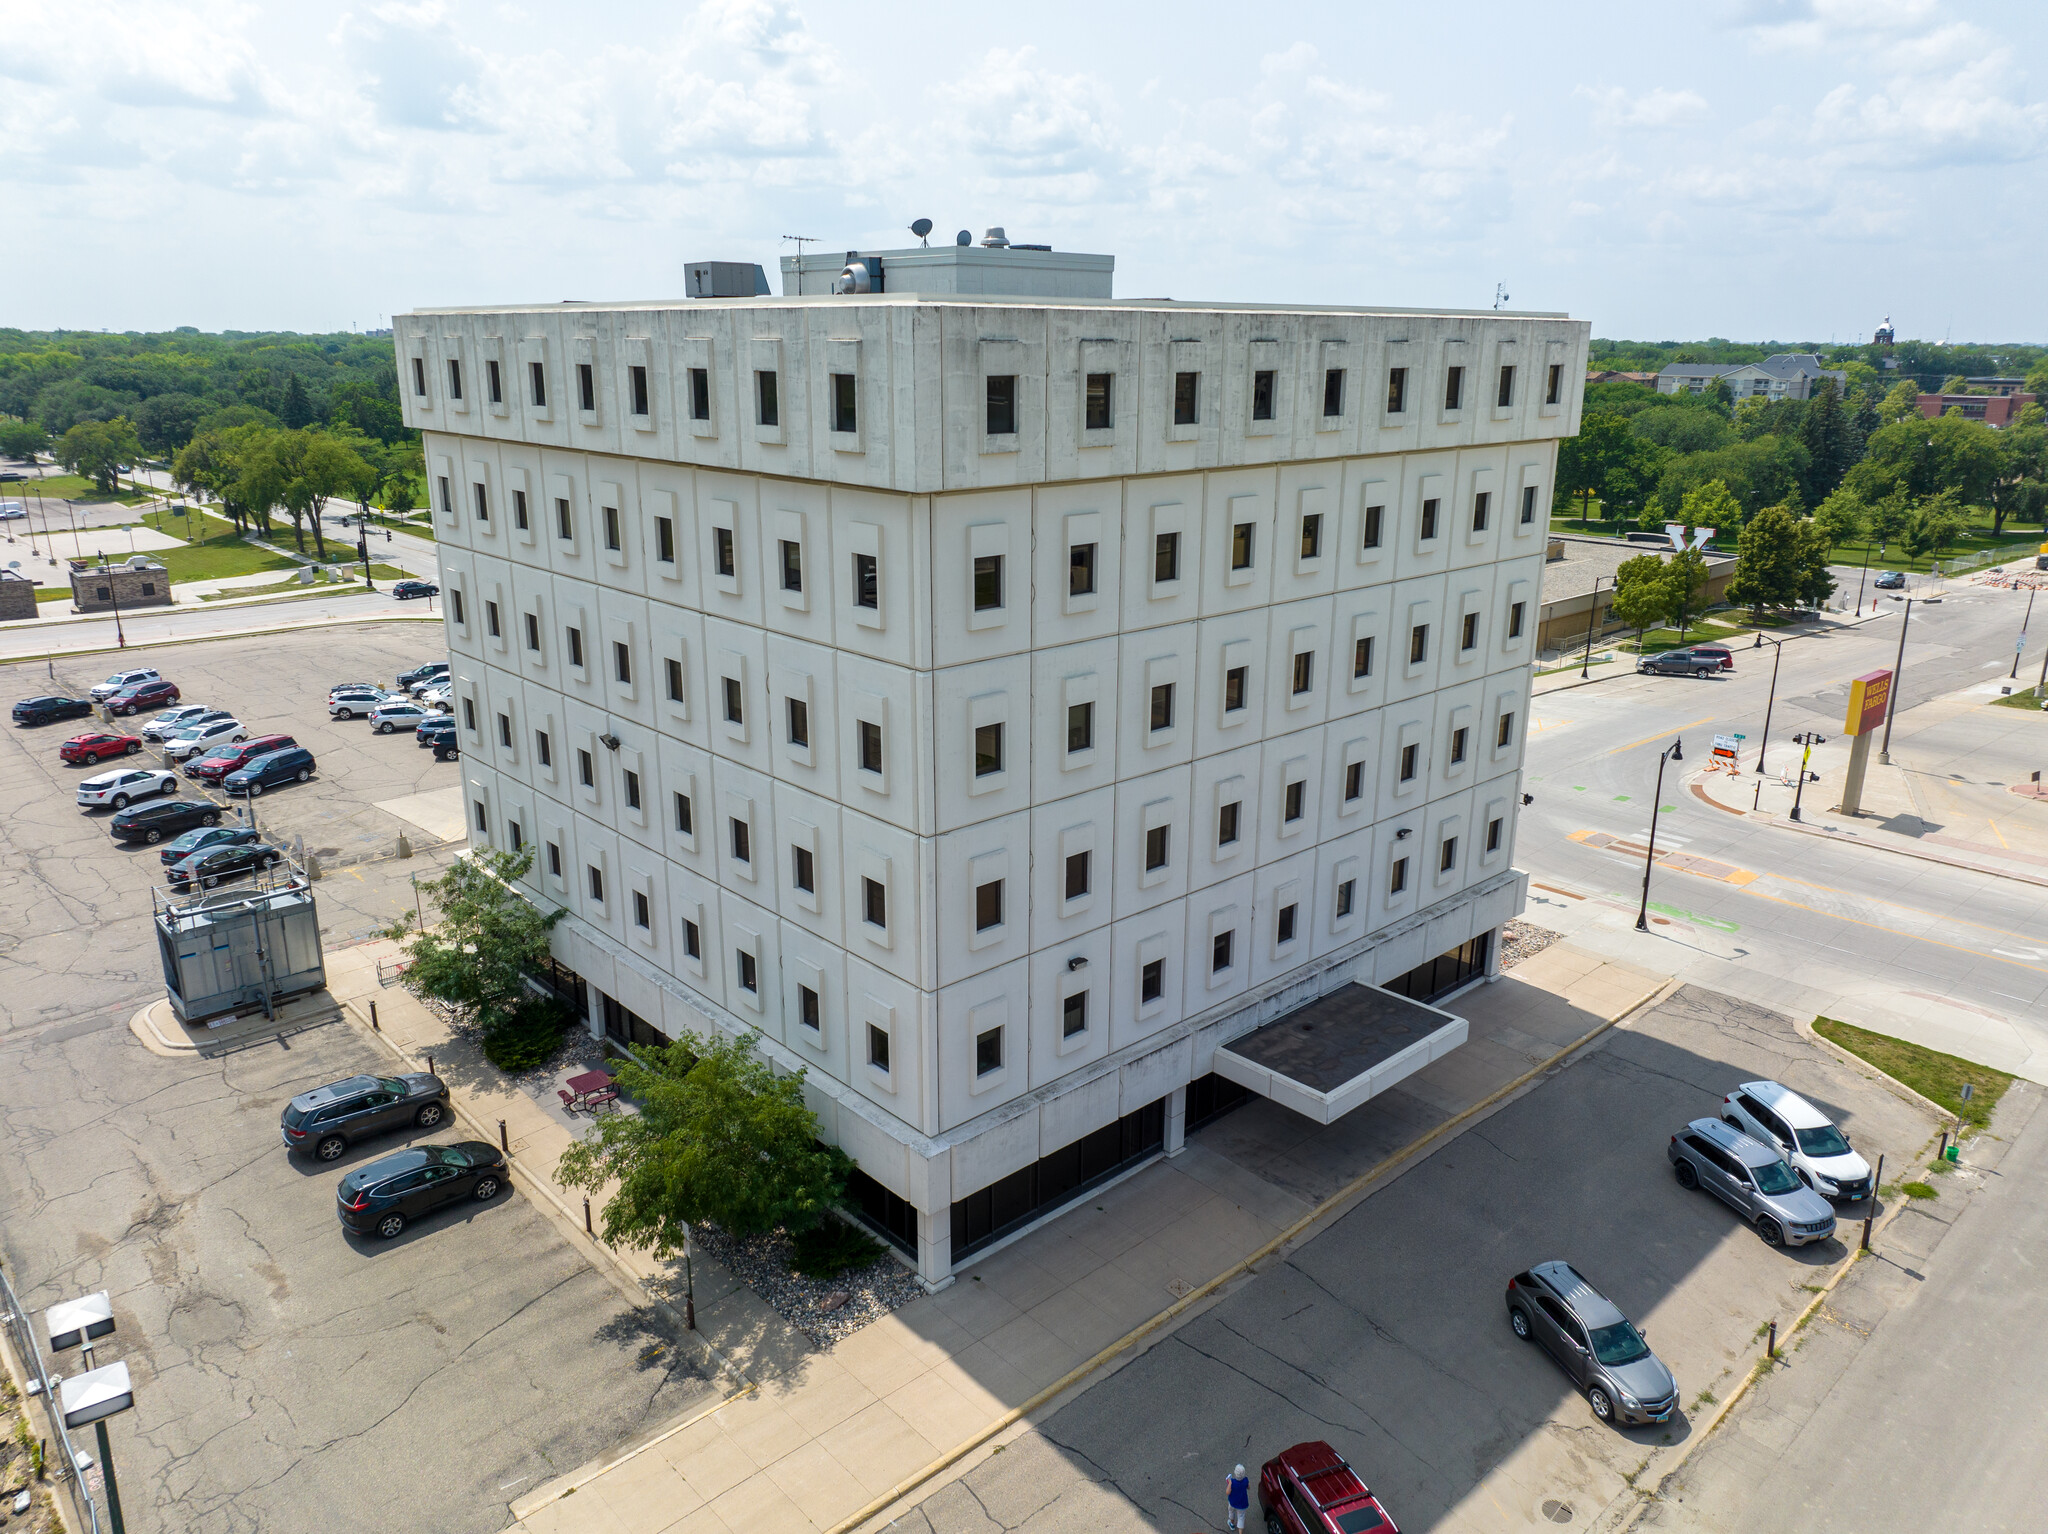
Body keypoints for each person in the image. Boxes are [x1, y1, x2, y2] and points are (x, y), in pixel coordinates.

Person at [1225, 1464, 1250, 1531]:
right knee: (1241, 1517)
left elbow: (1227, 1492)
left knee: (1231, 1512)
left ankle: (1232, 1524)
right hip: (1242, 1504)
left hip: (1233, 1502)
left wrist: (1229, 1483)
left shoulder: (1232, 1482)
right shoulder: (1245, 1480)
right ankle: (1240, 1532)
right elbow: (1248, 1487)